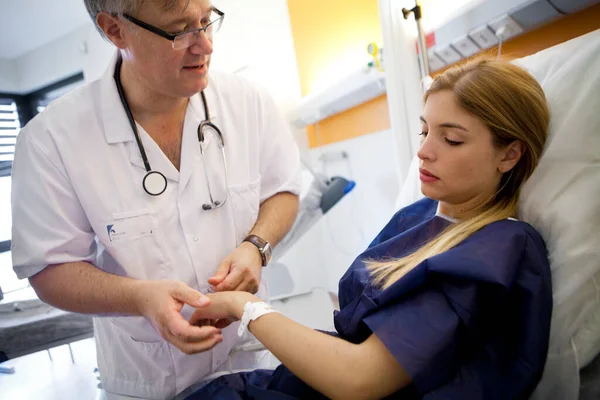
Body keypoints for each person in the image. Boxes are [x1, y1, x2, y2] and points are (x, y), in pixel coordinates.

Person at [183, 58, 553, 400]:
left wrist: (245, 306)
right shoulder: (421, 215)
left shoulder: (498, 250)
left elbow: (359, 377)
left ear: (509, 155)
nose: (423, 151)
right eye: (424, 131)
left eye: (451, 139)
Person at [10, 0, 300, 399]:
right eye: (181, 30)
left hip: (251, 359)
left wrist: (256, 246)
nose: (205, 45)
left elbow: (283, 191)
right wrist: (139, 298)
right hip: (149, 381)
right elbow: (48, 268)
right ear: (115, 30)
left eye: (207, 20)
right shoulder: (51, 141)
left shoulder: (246, 101)